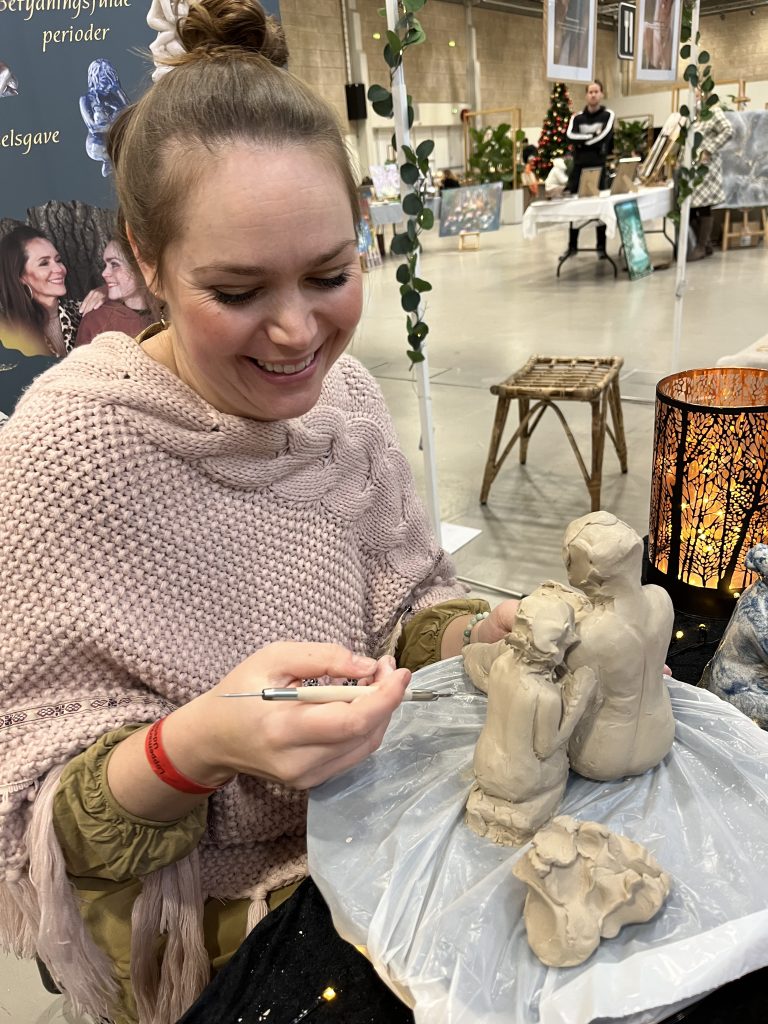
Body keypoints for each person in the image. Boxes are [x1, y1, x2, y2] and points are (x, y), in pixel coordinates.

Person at [0, 3, 519, 1023]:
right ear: (145, 257)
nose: (295, 334)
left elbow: (405, 608)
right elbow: (44, 833)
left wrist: (478, 636)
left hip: (379, 849)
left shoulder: (347, 403)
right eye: (237, 292)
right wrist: (200, 744)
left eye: (330, 275)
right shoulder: (65, 457)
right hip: (210, 935)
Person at [0, 226, 104, 356]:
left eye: (58, 260)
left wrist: (107, 292)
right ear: (21, 277)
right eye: (44, 263)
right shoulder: (8, 331)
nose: (59, 269)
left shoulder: (84, 311)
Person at [564, 80, 615, 257]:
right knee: (574, 206)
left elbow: (605, 136)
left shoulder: (608, 115)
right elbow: (570, 136)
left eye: (596, 91)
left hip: (598, 166)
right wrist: (592, 136)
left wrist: (583, 140)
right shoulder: (577, 118)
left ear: (601, 94)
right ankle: (572, 247)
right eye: (590, 92)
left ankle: (601, 247)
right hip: (578, 167)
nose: (593, 95)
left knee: (600, 206)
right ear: (586, 95)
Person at [75, 239, 157, 346]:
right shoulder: (96, 320)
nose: (104, 273)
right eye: (105, 265)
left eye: (114, 264)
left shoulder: (169, 311)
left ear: (141, 267)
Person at [688, 96, 734, 261]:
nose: (696, 97)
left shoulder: (714, 112)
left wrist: (709, 149)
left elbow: (728, 130)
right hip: (692, 169)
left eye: (699, 94)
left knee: (704, 205)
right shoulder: (694, 116)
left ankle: (701, 247)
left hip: (706, 167)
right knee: (691, 206)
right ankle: (706, 244)